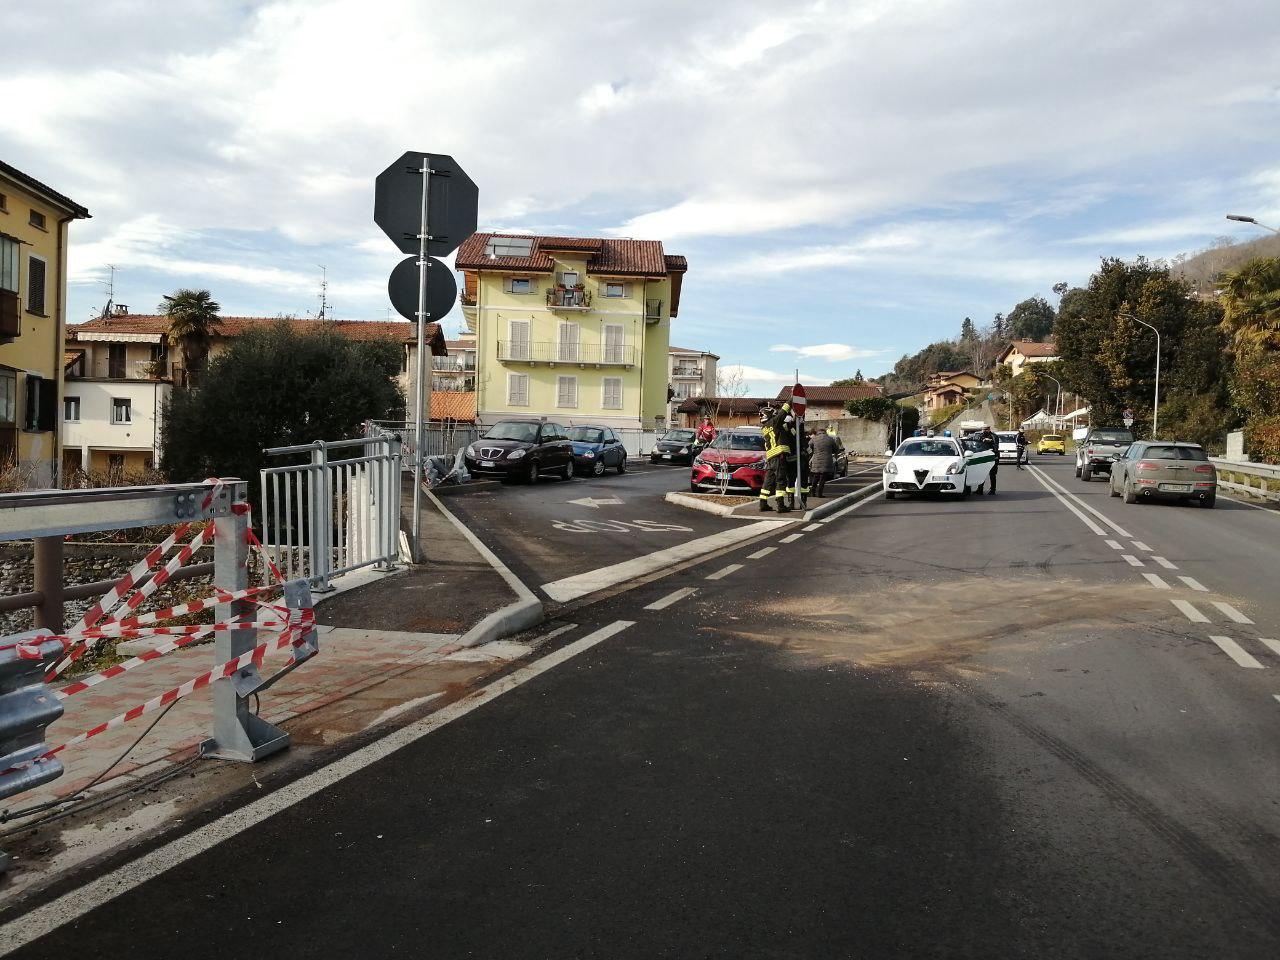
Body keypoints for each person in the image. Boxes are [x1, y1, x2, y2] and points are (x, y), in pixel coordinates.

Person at [758, 404, 790, 513]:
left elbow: (782, 430)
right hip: (778, 456)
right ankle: (781, 505)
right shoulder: (774, 422)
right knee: (780, 480)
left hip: (770, 458)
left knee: (768, 482)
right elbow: (783, 412)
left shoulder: (764, 428)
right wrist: (792, 398)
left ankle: (763, 503)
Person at [809, 426, 841, 498]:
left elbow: (809, 447)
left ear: (818, 432)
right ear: (825, 432)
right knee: (823, 478)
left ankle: (812, 492)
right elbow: (836, 449)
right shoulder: (830, 439)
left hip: (816, 460)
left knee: (816, 476)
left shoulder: (814, 439)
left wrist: (814, 452)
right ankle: (820, 494)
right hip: (826, 460)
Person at [980, 426, 999, 495]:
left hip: (992, 457)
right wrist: (982, 440)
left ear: (988, 429)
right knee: (982, 474)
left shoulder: (994, 436)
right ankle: (980, 489)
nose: (984, 431)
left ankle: (993, 490)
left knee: (992, 474)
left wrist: (990, 441)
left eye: (985, 430)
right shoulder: (981, 436)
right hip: (983, 457)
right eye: (983, 430)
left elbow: (996, 446)